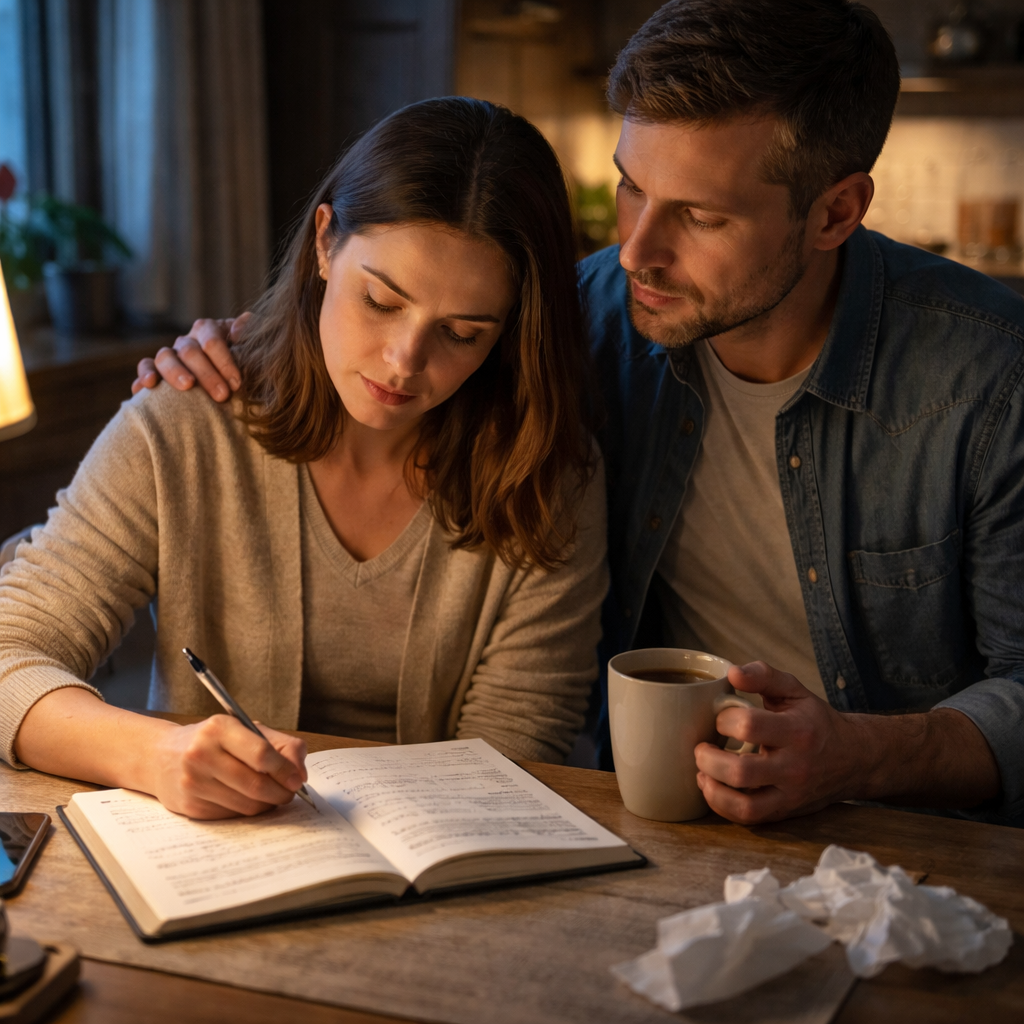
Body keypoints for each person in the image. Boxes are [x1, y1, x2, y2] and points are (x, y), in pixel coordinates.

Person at [134, 1, 1024, 828]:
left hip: (916, 842)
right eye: (631, 186)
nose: (637, 250)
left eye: (701, 217)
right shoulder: (582, 319)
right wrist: (249, 346)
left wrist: (860, 755)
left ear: (836, 211)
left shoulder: (988, 376)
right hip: (654, 823)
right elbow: (410, 331)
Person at [0, 98, 608, 820]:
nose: (404, 361)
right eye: (381, 301)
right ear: (325, 243)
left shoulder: (546, 478)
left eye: (463, 333)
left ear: (509, 331)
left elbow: (513, 759)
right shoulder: (186, 423)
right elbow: (12, 649)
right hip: (210, 862)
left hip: (441, 872)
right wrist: (155, 756)